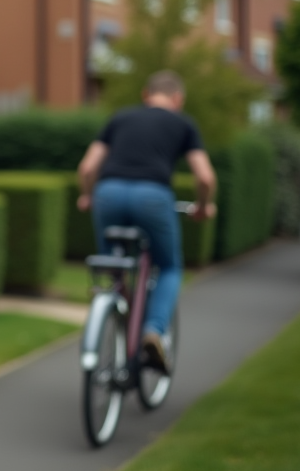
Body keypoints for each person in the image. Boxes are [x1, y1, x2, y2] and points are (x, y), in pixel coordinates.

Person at [76, 70, 216, 374]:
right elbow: (204, 176)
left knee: (113, 265)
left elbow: (87, 168)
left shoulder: (120, 118)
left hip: (108, 194)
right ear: (178, 98)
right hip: (152, 197)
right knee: (169, 267)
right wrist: (204, 206)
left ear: (145, 94)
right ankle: (152, 331)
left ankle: (113, 306)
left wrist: (87, 197)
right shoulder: (183, 124)